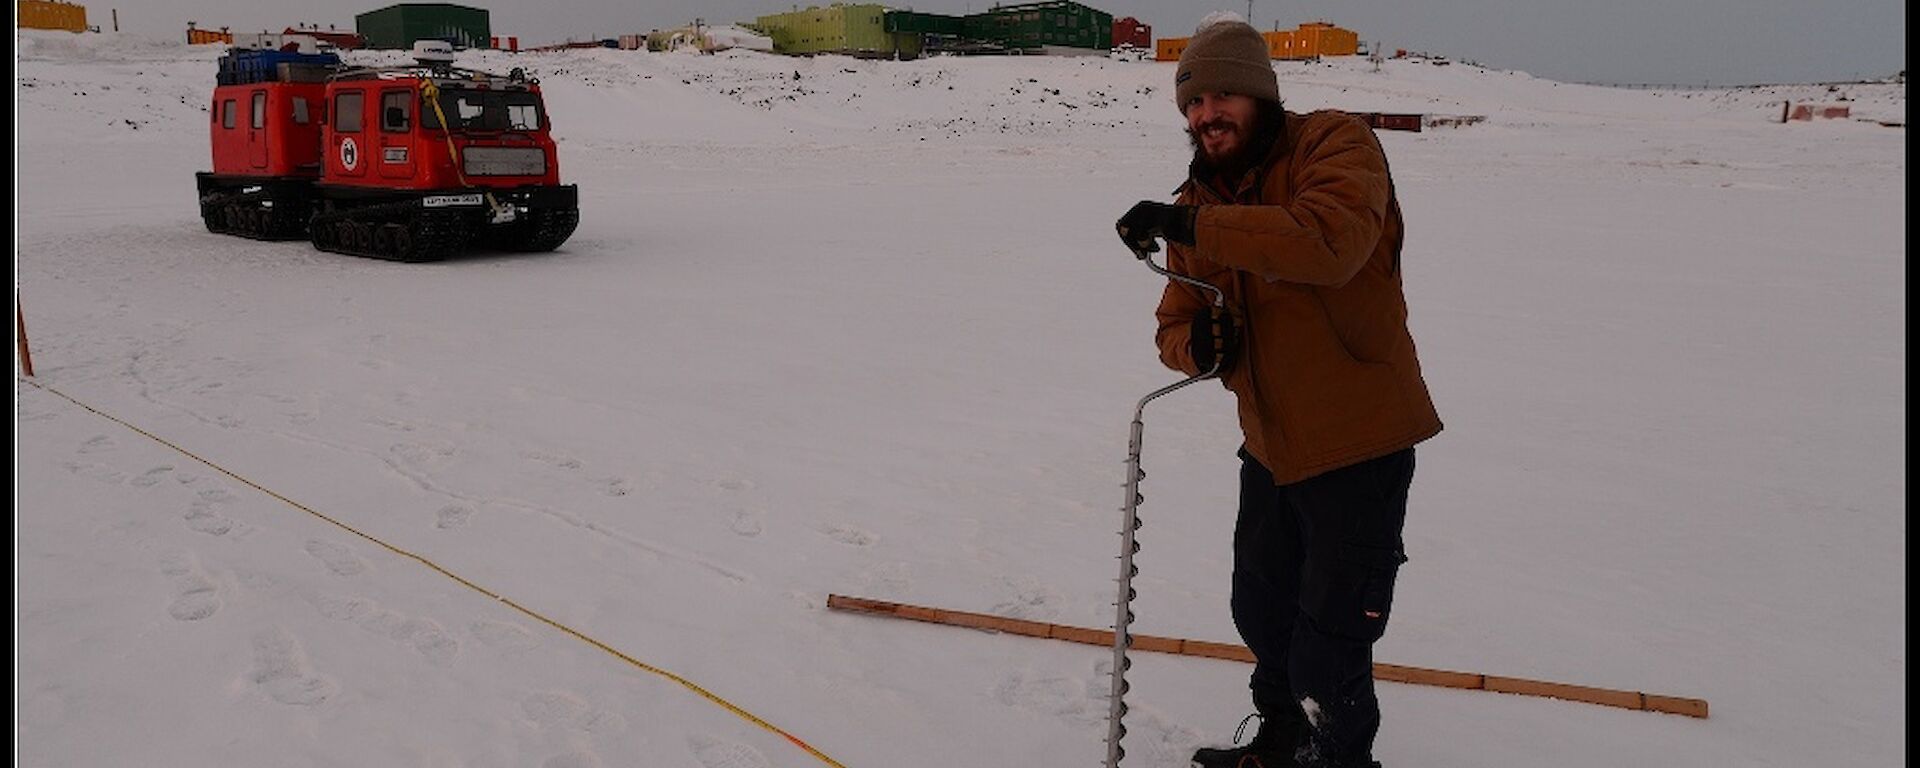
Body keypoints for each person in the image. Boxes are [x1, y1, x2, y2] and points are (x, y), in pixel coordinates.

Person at [1113, 15, 1442, 768]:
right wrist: (1193, 347)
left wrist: (1191, 222)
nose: (1207, 114)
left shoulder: (1335, 144)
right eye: (1193, 103)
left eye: (1224, 93)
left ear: (1261, 92)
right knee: (1261, 611)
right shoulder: (1196, 198)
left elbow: (1327, 242)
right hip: (1269, 447)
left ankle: (1338, 760)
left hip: (1359, 442)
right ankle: (1282, 743)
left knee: (1332, 636)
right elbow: (1175, 321)